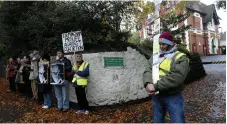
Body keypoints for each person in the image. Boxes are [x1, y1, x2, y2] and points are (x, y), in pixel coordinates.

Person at [143, 32, 190, 123]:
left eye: (164, 44)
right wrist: (148, 83)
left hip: (173, 96)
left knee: (178, 121)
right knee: (157, 121)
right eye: (160, 44)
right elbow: (148, 69)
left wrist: (155, 86)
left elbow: (177, 77)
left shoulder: (180, 57)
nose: (161, 46)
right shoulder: (156, 56)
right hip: (157, 96)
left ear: (171, 44)